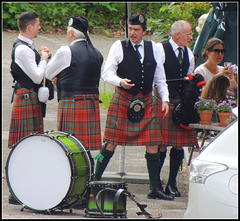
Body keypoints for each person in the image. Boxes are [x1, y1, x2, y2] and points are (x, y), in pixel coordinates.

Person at [94, 13, 172, 200]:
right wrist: (120, 82)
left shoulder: (154, 48)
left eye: (136, 30)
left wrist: (165, 99)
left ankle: (154, 188)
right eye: (130, 29)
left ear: (144, 31)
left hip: (146, 100)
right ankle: (95, 181)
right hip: (123, 99)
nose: (132, 33)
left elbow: (160, 78)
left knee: (153, 143)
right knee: (110, 142)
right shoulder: (118, 46)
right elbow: (107, 72)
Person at [8, 11, 51, 204]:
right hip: (26, 98)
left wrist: (42, 57)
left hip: (29, 99)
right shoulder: (22, 49)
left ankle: (24, 188)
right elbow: (36, 77)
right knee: (23, 147)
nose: (40, 27)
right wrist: (43, 58)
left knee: (29, 146)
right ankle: (15, 192)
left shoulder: (27, 46)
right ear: (30, 27)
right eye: (38, 24)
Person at [45, 16, 103, 152]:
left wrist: (57, 78)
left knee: (69, 147)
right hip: (91, 104)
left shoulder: (66, 51)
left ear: (71, 33)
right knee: (85, 148)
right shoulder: (98, 54)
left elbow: (48, 73)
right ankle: (89, 171)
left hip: (72, 103)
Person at [157, 20, 199, 198]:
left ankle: (172, 182)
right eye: (189, 34)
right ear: (177, 35)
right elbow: (156, 75)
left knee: (178, 143)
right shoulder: (160, 49)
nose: (191, 37)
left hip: (180, 103)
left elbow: (189, 77)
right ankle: (156, 181)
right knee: (160, 144)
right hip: (163, 101)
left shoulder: (188, 53)